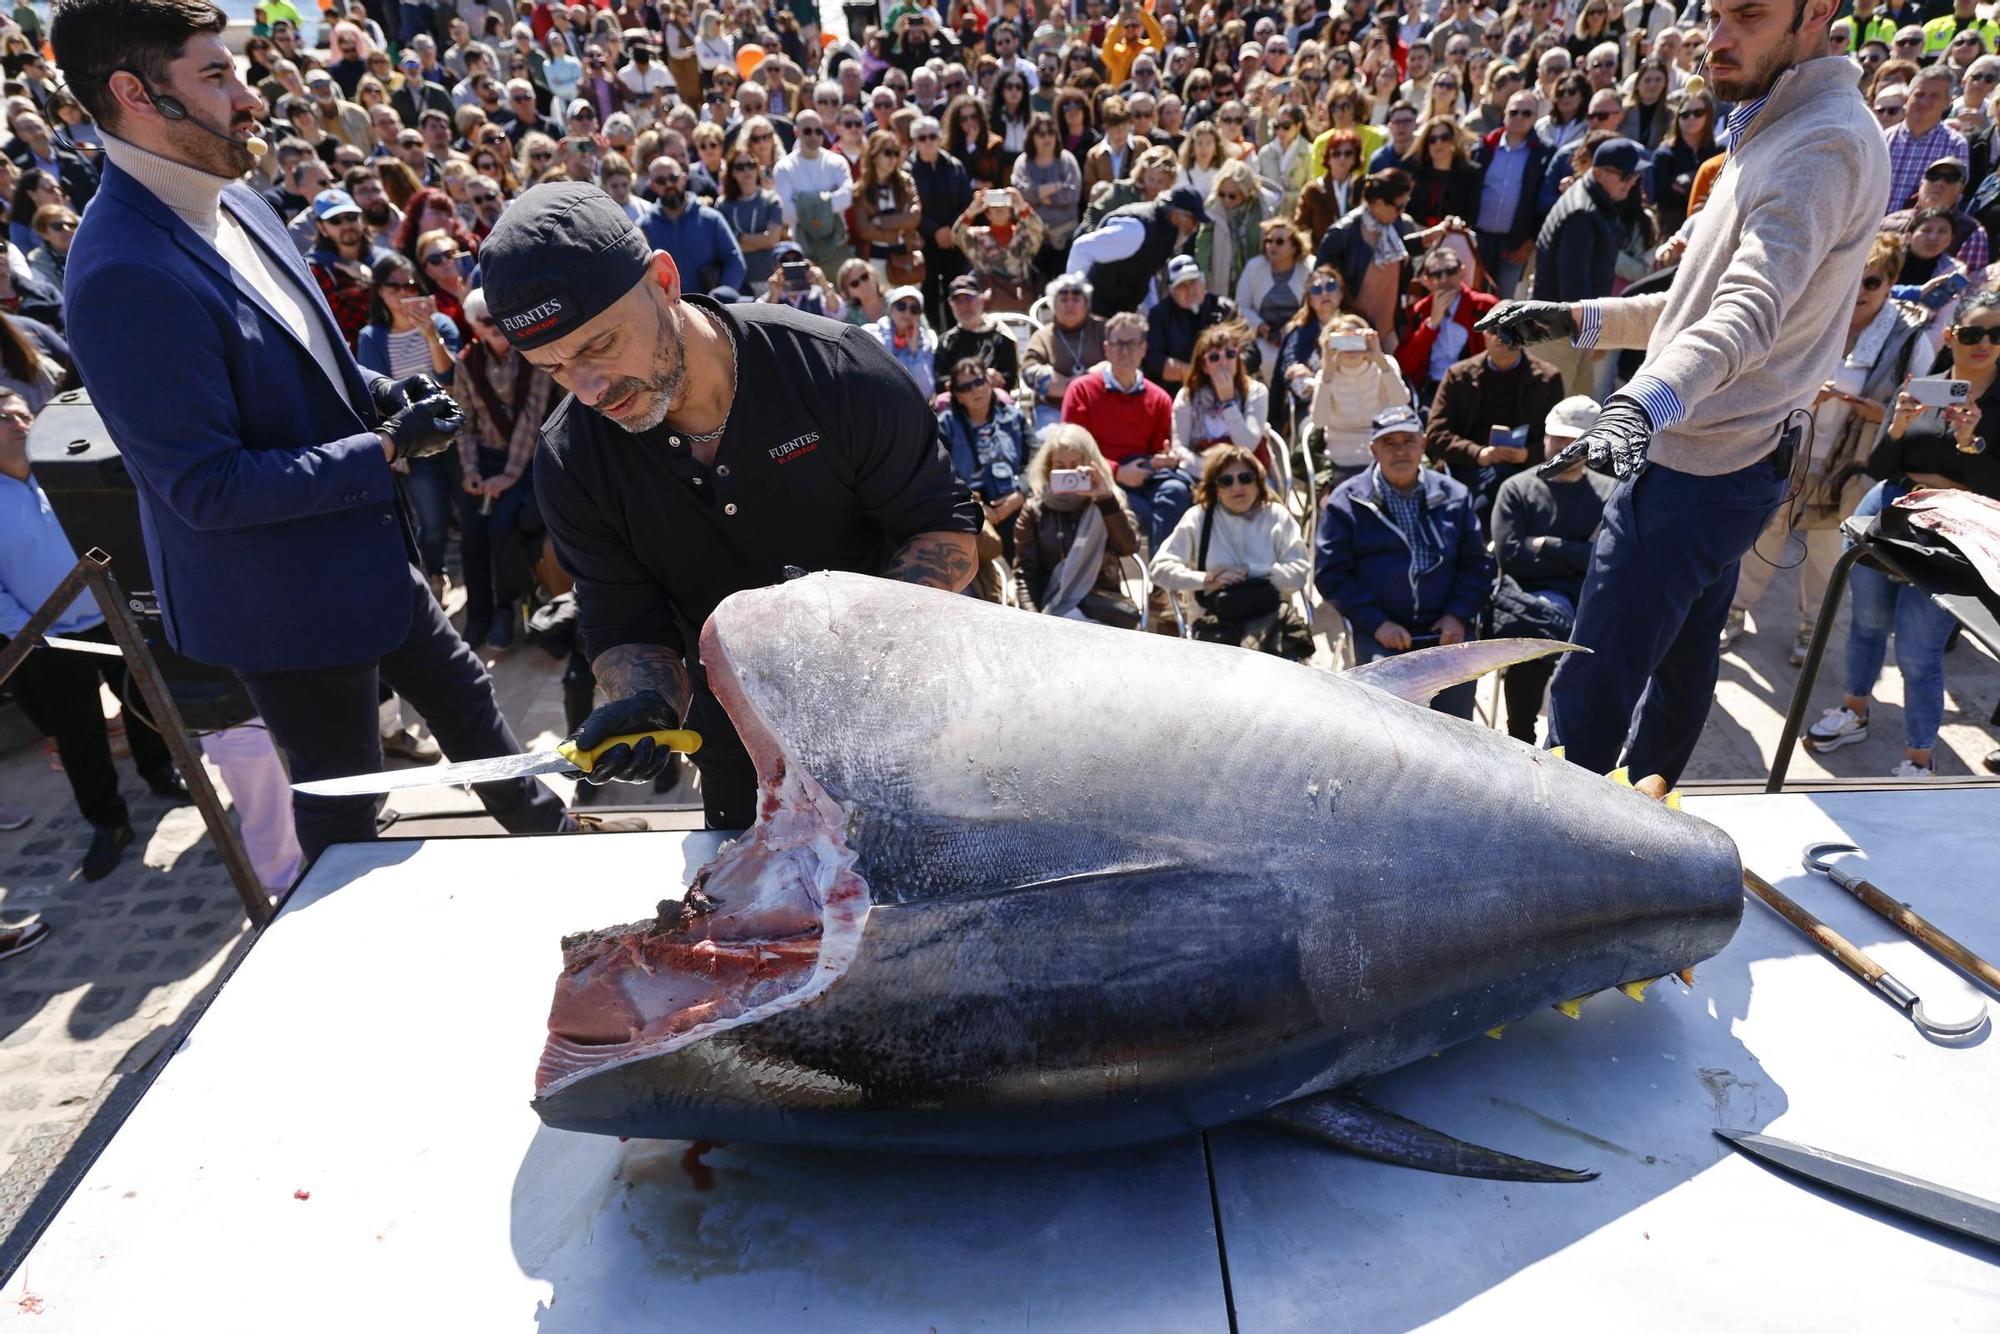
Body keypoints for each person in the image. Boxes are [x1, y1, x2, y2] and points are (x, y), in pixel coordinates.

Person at [56, 0, 573, 860]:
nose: (248, 96)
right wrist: (386, 450)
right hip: (285, 604)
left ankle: (562, 856)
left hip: (366, 557)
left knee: (478, 724)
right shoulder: (120, 274)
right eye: (216, 76)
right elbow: (206, 488)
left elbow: (308, 367)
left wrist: (388, 397)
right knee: (346, 818)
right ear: (135, 93)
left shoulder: (236, 199)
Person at [1477, 0, 1891, 786]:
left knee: (1589, 691)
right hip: (1728, 464)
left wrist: (1643, 403)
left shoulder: (1822, 143)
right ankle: (1647, 824)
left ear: (1818, 14)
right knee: (1682, 671)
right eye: (1713, 15)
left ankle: (1566, 862)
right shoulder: (1778, 122)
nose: (1718, 40)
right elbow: (1694, 304)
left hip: (1696, 472)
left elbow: (1746, 315)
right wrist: (1576, 318)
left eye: (1748, 15)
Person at [483, 184, 980, 828]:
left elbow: (945, 533)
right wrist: (645, 705)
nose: (589, 387)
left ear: (664, 280)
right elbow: (624, 623)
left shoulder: (835, 371)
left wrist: (852, 658)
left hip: (903, 722)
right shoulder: (573, 457)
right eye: (552, 368)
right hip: (740, 758)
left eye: (599, 345)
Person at [1807, 290, 2000, 777]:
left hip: (1956, 533)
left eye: (1997, 335)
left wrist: (1968, 444)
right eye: (1974, 333)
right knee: (1866, 623)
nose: (1985, 345)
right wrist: (1896, 429)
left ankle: (1920, 758)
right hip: (1892, 514)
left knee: (1919, 649)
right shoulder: (1925, 388)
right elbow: (1880, 467)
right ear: (1952, 335)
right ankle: (1854, 710)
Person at [0, 388, 187, 882]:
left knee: (145, 700)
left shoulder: (65, 472)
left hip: (113, 614)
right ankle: (108, 821)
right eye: (4, 418)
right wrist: (29, 632)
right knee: (78, 734)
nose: (20, 422)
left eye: (23, 412)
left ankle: (160, 771)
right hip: (49, 635)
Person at [1728, 234, 1932, 662]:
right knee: (1761, 535)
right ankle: (1733, 613)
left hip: (1849, 468)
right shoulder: (1819, 312)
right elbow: (1774, 372)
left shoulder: (1912, 338)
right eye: (1853, 277)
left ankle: (1810, 629)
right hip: (1788, 451)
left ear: (1892, 281)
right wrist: (1803, 393)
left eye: (1872, 282)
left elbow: (1924, 412)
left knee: (1825, 555)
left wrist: (1884, 413)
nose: (1858, 291)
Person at [1315, 403, 1494, 719]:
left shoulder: (1454, 496)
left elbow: (1478, 565)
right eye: (1389, 443)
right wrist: (1376, 622)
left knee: (1454, 718)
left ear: (1423, 444)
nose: (1400, 451)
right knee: (1387, 715)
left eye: (1408, 441)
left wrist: (1457, 614)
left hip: (1446, 631)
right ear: (1374, 450)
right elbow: (1331, 574)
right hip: (1382, 628)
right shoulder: (1347, 503)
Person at [1489, 394, 1617, 743]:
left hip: (1588, 603)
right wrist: (1579, 553)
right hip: (1530, 605)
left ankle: (1573, 745)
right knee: (1531, 646)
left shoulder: (1609, 494)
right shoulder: (1516, 490)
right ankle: (1521, 738)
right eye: (1557, 437)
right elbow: (1513, 558)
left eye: (1574, 440)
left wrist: (1547, 544)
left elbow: (1607, 560)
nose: (1563, 447)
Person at [449, 288, 552, 651]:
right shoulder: (467, 363)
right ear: (475, 325)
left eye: (502, 320)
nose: (497, 328)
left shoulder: (533, 357)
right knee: (471, 535)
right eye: (488, 322)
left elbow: (531, 419)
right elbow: (462, 421)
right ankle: (479, 614)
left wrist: (509, 474)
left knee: (502, 529)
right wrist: (471, 470)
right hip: (484, 456)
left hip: (523, 459)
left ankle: (508, 609)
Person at [1150, 443, 1313, 658]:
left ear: (1258, 481)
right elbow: (1159, 569)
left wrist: (1250, 571)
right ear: (1215, 488)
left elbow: (1300, 573)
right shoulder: (1198, 518)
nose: (1237, 487)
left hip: (1271, 624)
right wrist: (1207, 579)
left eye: (1245, 478)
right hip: (1214, 627)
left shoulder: (1277, 516)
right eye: (1226, 481)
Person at [1061, 309, 1190, 553]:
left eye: (1132, 344)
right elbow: (1072, 450)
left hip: (1144, 477)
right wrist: (1117, 472)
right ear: (1106, 349)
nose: (1125, 351)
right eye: (1118, 344)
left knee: (1177, 492)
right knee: (1148, 515)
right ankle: (1160, 582)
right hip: (1099, 478)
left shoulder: (1159, 398)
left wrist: (1162, 460)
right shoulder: (1081, 390)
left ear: (1144, 348)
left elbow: (1157, 451)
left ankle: (1162, 581)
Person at [1527, 135, 1644, 396]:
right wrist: (1594, 333)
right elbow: (1574, 285)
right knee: (1553, 421)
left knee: (1576, 419)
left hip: (1568, 329)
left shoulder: (1593, 200)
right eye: (1626, 175)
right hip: (1559, 334)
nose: (1632, 182)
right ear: (1599, 173)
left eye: (1635, 175)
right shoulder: (1582, 213)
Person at [1424, 329, 1566, 523]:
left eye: (1511, 330)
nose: (1502, 337)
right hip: (1467, 468)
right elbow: (1436, 434)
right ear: (1484, 336)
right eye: (1495, 330)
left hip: (1527, 471)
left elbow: (1560, 438)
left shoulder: (1547, 378)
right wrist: (1478, 454)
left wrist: (1526, 455)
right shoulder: (1458, 376)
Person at [1011, 422, 1142, 626]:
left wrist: (1105, 500)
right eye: (1061, 467)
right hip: (1053, 608)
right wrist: (1033, 620)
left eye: (1076, 466)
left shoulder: (1109, 500)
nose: (1069, 473)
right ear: (1048, 469)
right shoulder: (1035, 510)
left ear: (1092, 464)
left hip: (1101, 606)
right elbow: (1026, 574)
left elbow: (1128, 547)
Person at [1066, 182, 1206, 319]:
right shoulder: (1137, 231)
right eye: (1194, 221)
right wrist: (1075, 303)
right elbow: (1081, 248)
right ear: (1177, 215)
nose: (1195, 229)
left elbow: (1143, 272)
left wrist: (1152, 316)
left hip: (1116, 315)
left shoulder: (1163, 236)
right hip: (1095, 313)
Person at [938, 354, 1031, 556]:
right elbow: (939, 473)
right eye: (965, 388)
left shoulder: (1014, 417)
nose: (975, 390)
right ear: (958, 395)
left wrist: (1021, 493)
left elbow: (1037, 460)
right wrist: (975, 507)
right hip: (968, 509)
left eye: (979, 382)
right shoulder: (944, 425)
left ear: (989, 383)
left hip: (1015, 500)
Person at [1306, 313, 1412, 486]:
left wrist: (1380, 360)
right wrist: (1327, 374)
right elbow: (1319, 421)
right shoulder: (1325, 376)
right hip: (1342, 460)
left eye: (1356, 339)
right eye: (1343, 342)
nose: (1350, 348)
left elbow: (1401, 402)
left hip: (1386, 454)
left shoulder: (1385, 365)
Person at [1471, 89, 1551, 298]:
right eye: (1514, 112)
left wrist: (1530, 241)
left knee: (1503, 304)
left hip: (1514, 245)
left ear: (1535, 118)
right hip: (1477, 240)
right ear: (1504, 113)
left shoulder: (1543, 154)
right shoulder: (1484, 148)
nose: (1519, 118)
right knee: (1471, 297)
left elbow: (1542, 203)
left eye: (1526, 113)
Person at [1397, 243, 1499, 404]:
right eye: (1436, 274)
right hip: (1432, 388)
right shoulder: (1421, 310)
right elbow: (1406, 364)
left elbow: (1498, 356)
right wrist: (1432, 324)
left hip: (1472, 389)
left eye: (1451, 271)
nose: (1444, 279)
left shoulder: (1484, 306)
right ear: (1426, 281)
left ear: (1462, 272)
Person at [638, 155, 747, 293]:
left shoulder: (711, 219)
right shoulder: (643, 227)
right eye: (661, 181)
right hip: (665, 311)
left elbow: (734, 261)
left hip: (708, 310)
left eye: (673, 178)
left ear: (683, 179)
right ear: (653, 186)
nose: (669, 185)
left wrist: (721, 297)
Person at [1172, 324, 1269, 471]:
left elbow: (1248, 445)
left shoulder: (1256, 391)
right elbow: (1179, 448)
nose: (1223, 363)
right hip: (1202, 472)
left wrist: (1228, 403)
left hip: (1247, 473)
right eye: (1214, 357)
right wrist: (1212, 471)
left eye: (1230, 354)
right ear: (1204, 366)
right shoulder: (1187, 396)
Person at [1146, 253, 1241, 391]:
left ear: (1203, 282)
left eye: (1194, 281)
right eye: (1182, 285)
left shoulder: (1226, 309)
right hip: (1179, 391)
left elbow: (1250, 353)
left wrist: (1221, 368)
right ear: (1172, 291)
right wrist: (1197, 375)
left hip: (1227, 387)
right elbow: (1153, 361)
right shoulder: (1159, 315)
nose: (1190, 290)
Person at [935, 273, 1020, 388]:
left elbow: (1011, 379)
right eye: (958, 301)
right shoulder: (945, 341)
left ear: (982, 300)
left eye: (969, 298)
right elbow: (939, 381)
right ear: (951, 305)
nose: (964, 305)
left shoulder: (1001, 335)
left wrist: (997, 377)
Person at [870, 282, 940, 396]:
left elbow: (926, 392)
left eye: (914, 309)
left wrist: (914, 352)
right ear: (891, 309)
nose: (907, 312)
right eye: (901, 306)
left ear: (919, 316)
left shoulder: (925, 344)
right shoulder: (869, 333)